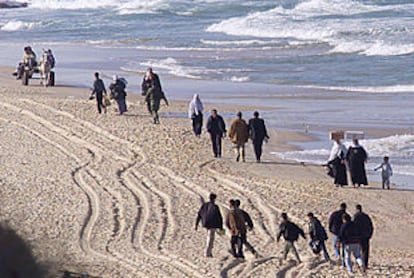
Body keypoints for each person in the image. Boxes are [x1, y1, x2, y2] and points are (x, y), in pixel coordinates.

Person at [195, 193, 224, 258]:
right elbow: (219, 217)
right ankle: (207, 253)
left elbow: (199, 214)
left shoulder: (204, 205)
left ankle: (208, 252)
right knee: (210, 238)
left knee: (209, 237)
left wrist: (196, 224)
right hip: (212, 224)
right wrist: (220, 226)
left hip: (205, 223)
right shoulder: (215, 207)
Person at [353, 204, 373, 269]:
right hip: (366, 236)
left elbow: (354, 226)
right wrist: (370, 235)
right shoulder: (366, 216)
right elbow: (371, 226)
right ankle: (365, 264)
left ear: (356, 209)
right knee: (365, 251)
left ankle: (359, 264)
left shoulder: (356, 216)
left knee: (357, 251)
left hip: (358, 236)